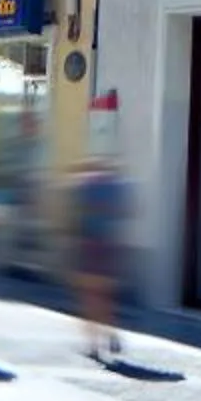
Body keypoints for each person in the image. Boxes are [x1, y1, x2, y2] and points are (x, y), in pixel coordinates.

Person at [70, 150, 129, 364]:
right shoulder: (117, 185)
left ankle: (94, 346)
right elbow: (127, 210)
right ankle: (111, 332)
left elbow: (73, 212)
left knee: (89, 297)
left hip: (89, 244)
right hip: (110, 244)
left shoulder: (84, 184)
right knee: (106, 295)